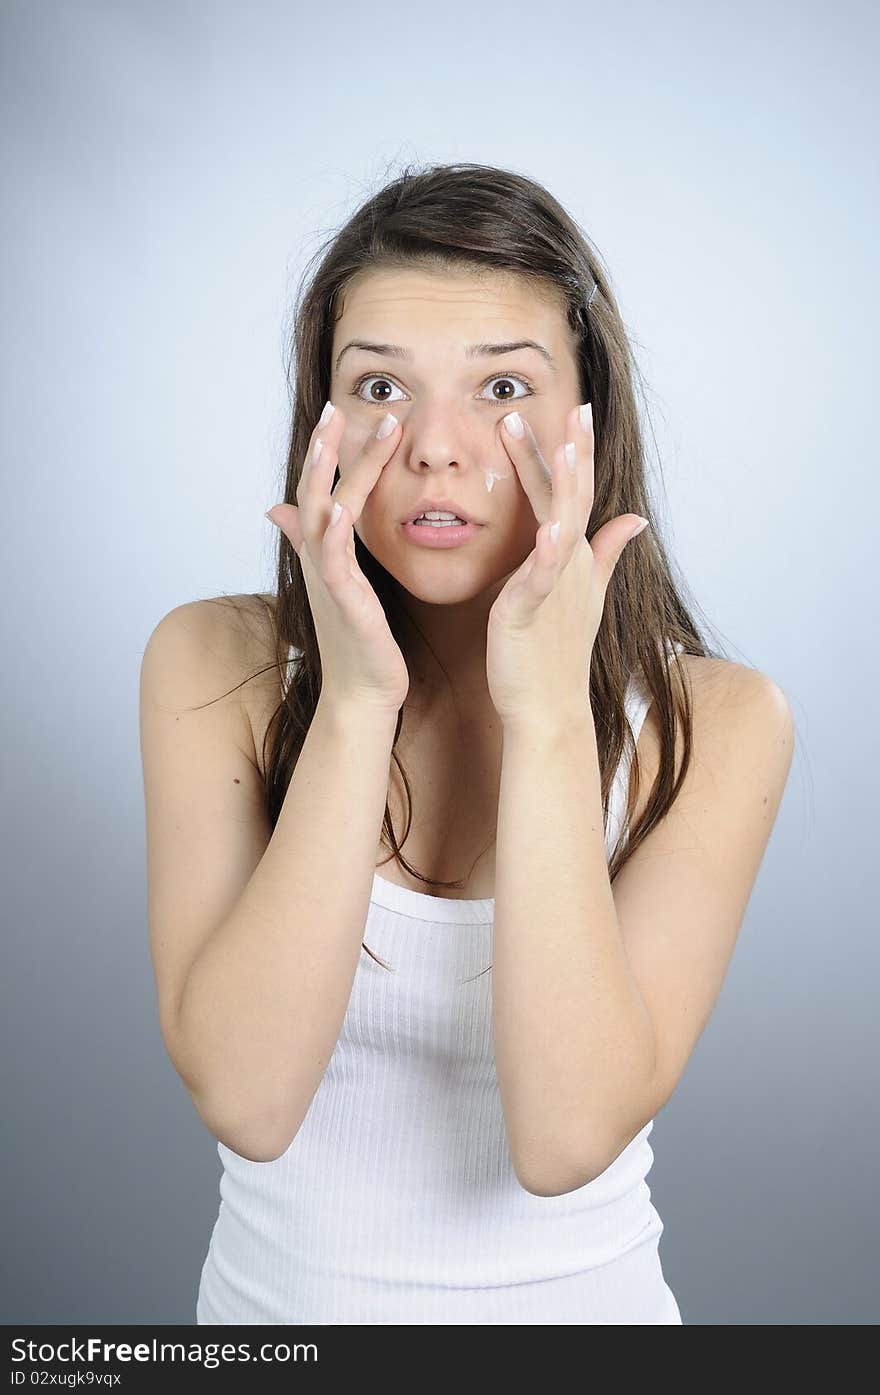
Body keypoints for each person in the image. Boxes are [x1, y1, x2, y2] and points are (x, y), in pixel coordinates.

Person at [139, 162, 794, 1325]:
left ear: (587, 417)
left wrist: (545, 719)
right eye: (379, 384)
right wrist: (351, 704)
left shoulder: (718, 723)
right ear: (320, 422)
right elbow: (248, 1100)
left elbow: (564, 1136)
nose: (434, 447)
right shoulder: (214, 665)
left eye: (501, 384)